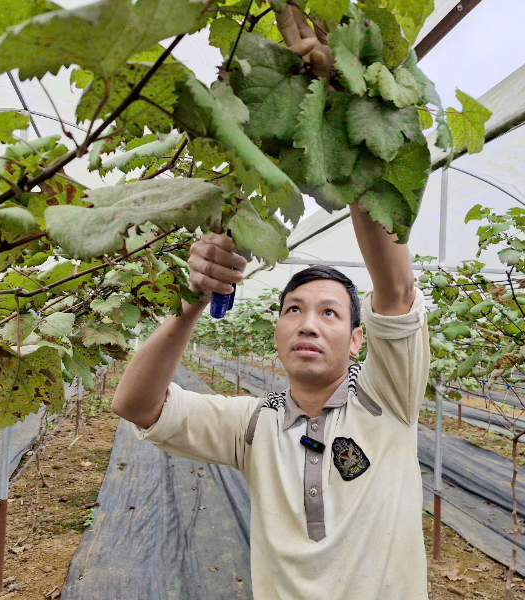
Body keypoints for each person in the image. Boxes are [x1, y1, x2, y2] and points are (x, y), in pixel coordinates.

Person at [112, 5, 430, 598]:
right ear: (276, 335)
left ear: (359, 339)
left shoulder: (388, 400)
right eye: (293, 309)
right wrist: (191, 299)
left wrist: (340, 94)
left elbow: (395, 290)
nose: (309, 323)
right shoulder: (252, 426)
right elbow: (135, 404)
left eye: (331, 312)